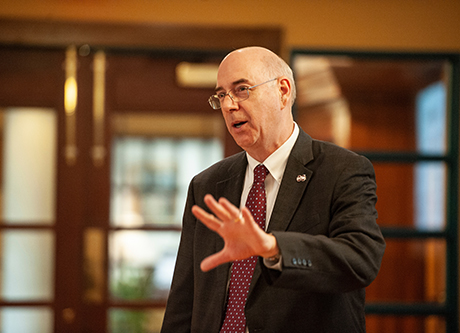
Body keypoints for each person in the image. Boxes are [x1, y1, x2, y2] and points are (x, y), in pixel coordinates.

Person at [161, 46, 385, 333]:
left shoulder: (342, 171)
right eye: (221, 95)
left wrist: (273, 248)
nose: (229, 105)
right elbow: (184, 301)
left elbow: (360, 260)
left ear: (282, 91)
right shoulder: (206, 185)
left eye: (241, 89)